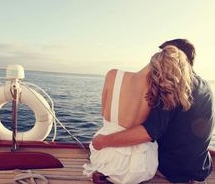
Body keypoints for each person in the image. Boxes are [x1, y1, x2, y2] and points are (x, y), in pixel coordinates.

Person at [91, 39, 214, 183]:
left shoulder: (173, 86)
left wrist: (104, 141)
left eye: (165, 53)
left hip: (173, 171)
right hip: (201, 167)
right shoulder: (206, 86)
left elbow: (149, 132)